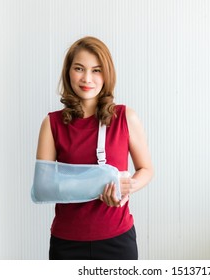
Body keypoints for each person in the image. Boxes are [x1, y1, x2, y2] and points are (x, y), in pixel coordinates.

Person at [35, 36, 154, 260]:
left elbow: (146, 169)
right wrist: (93, 184)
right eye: (79, 68)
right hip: (67, 242)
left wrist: (125, 188)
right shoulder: (52, 124)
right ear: (68, 72)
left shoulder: (125, 117)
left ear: (107, 74)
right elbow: (43, 187)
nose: (87, 78)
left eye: (96, 70)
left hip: (117, 240)